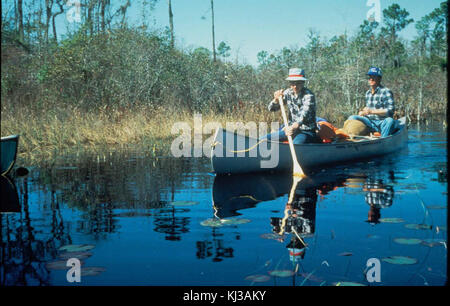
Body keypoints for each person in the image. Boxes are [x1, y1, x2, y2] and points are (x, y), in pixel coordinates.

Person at [265, 68, 319, 144]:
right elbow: (271, 109)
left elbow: (302, 116)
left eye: (298, 83)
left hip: (306, 132)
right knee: (263, 139)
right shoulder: (288, 93)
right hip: (290, 130)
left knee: (296, 144)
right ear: (290, 83)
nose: (295, 86)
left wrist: (292, 128)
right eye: (293, 83)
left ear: (303, 82)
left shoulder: (309, 95)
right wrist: (276, 100)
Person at [347, 67, 396, 138]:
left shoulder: (386, 91)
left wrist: (371, 111)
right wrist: (363, 112)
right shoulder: (368, 93)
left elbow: (390, 110)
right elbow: (368, 109)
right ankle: (352, 140)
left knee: (390, 121)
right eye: (370, 77)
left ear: (379, 78)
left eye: (374, 77)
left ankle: (383, 140)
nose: (371, 79)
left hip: (382, 122)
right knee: (352, 117)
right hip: (369, 121)